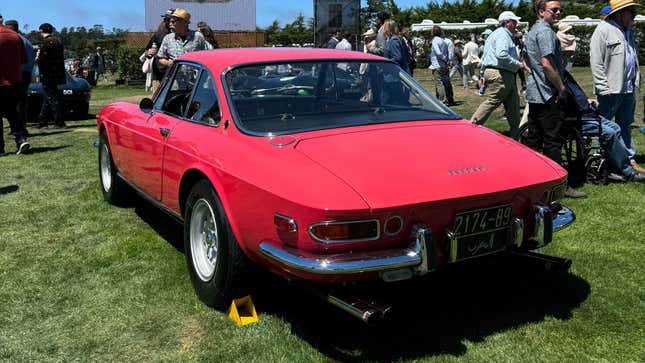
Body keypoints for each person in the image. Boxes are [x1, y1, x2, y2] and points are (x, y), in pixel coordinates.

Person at [524, 1, 586, 198]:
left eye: (560, 9)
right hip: (548, 93)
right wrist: (561, 88)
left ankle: (531, 180)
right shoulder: (545, 32)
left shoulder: (533, 30)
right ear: (542, 12)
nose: (559, 12)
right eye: (554, 10)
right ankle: (558, 186)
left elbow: (527, 61)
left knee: (534, 139)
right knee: (553, 140)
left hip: (535, 92)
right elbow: (546, 63)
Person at [590, 0, 644, 173]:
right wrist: (602, 87)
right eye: (631, 13)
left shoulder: (627, 31)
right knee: (603, 126)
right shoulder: (603, 30)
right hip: (610, 90)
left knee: (625, 125)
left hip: (627, 88)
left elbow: (631, 58)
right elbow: (596, 61)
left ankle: (628, 159)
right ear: (620, 13)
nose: (634, 17)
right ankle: (601, 160)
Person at [471, 11, 527, 138]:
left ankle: (516, 133)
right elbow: (502, 55)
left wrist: (481, 75)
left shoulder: (495, 34)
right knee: (493, 100)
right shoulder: (503, 34)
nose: (516, 24)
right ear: (507, 22)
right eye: (514, 21)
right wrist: (519, 64)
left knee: (513, 104)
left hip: (501, 73)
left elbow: (486, 57)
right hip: (501, 73)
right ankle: (471, 126)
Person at [0, 20, 30, 155]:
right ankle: (21, 139)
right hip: (15, 81)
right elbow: (23, 59)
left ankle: (0, 149)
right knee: (12, 112)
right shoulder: (15, 36)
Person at [5, 19, 35, 129]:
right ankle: (22, 125)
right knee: (22, 101)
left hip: (15, 73)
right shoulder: (27, 41)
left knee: (12, 102)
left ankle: (17, 128)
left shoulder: (13, 40)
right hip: (26, 73)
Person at [35, 22, 66, 129]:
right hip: (57, 73)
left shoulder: (46, 43)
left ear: (42, 31)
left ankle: (59, 122)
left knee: (52, 98)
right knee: (48, 98)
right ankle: (41, 122)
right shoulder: (58, 41)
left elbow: (42, 61)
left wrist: (37, 58)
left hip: (47, 74)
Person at [144, 9, 174, 94]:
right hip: (159, 72)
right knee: (158, 97)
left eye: (171, 20)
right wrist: (148, 53)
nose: (168, 22)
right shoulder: (158, 34)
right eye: (166, 19)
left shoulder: (180, 35)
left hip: (175, 71)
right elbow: (147, 51)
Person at [428, 25, 455, 106]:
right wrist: (446, 60)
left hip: (437, 64)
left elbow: (438, 52)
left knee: (439, 83)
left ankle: (441, 101)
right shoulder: (443, 41)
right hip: (443, 65)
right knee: (446, 82)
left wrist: (444, 59)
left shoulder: (435, 40)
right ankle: (449, 99)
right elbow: (447, 53)